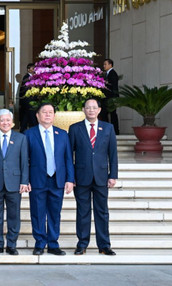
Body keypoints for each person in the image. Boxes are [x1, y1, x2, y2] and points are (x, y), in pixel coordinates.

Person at [69, 99, 118, 256]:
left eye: (94, 108)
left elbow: (113, 154)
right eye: (88, 107)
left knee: (102, 211)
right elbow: (69, 155)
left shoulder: (108, 128)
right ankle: (82, 244)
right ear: (83, 109)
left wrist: (113, 175)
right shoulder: (75, 128)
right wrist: (70, 177)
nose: (91, 110)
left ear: (99, 110)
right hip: (81, 177)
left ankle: (104, 245)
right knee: (82, 211)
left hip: (101, 176)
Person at [25, 102, 74, 256]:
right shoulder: (29, 134)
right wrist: (25, 179)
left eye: (50, 112)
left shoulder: (62, 134)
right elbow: (24, 160)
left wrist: (70, 179)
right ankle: (39, 243)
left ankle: (53, 243)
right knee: (38, 212)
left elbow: (68, 159)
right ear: (37, 116)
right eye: (44, 112)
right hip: (37, 180)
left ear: (54, 116)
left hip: (57, 180)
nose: (47, 114)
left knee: (54, 213)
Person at [0, 109, 29, 255]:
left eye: (8, 120)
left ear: (12, 122)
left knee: (13, 216)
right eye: (2, 120)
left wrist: (24, 181)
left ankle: (11, 244)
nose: (5, 123)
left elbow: (24, 162)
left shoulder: (21, 138)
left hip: (14, 183)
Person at [102, 59, 120, 135]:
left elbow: (113, 85)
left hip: (111, 97)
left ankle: (114, 131)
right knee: (106, 114)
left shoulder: (113, 73)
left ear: (110, 65)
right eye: (104, 64)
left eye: (105, 64)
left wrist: (105, 84)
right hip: (107, 97)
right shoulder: (107, 73)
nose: (104, 66)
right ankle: (110, 130)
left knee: (112, 114)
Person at [18, 63, 36, 132]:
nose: (34, 70)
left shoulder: (33, 76)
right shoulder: (26, 77)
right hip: (28, 100)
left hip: (30, 100)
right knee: (30, 116)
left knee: (26, 116)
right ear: (28, 69)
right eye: (32, 68)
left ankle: (23, 129)